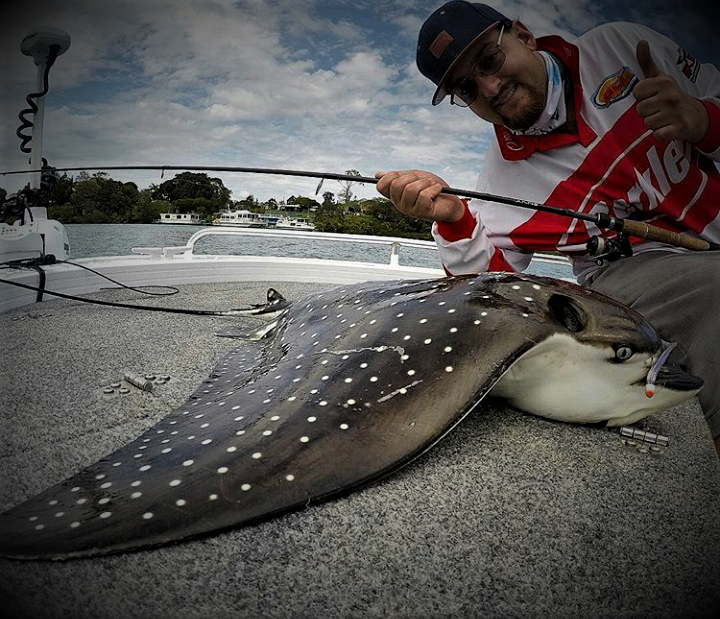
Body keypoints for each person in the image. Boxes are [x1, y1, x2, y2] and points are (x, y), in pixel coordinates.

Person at [375, 1, 720, 456]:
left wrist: (702, 121)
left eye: (489, 60)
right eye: (467, 88)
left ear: (523, 34)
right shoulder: (500, 181)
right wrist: (457, 220)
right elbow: (492, 287)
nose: (490, 87)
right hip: (633, 270)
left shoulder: (621, 47)